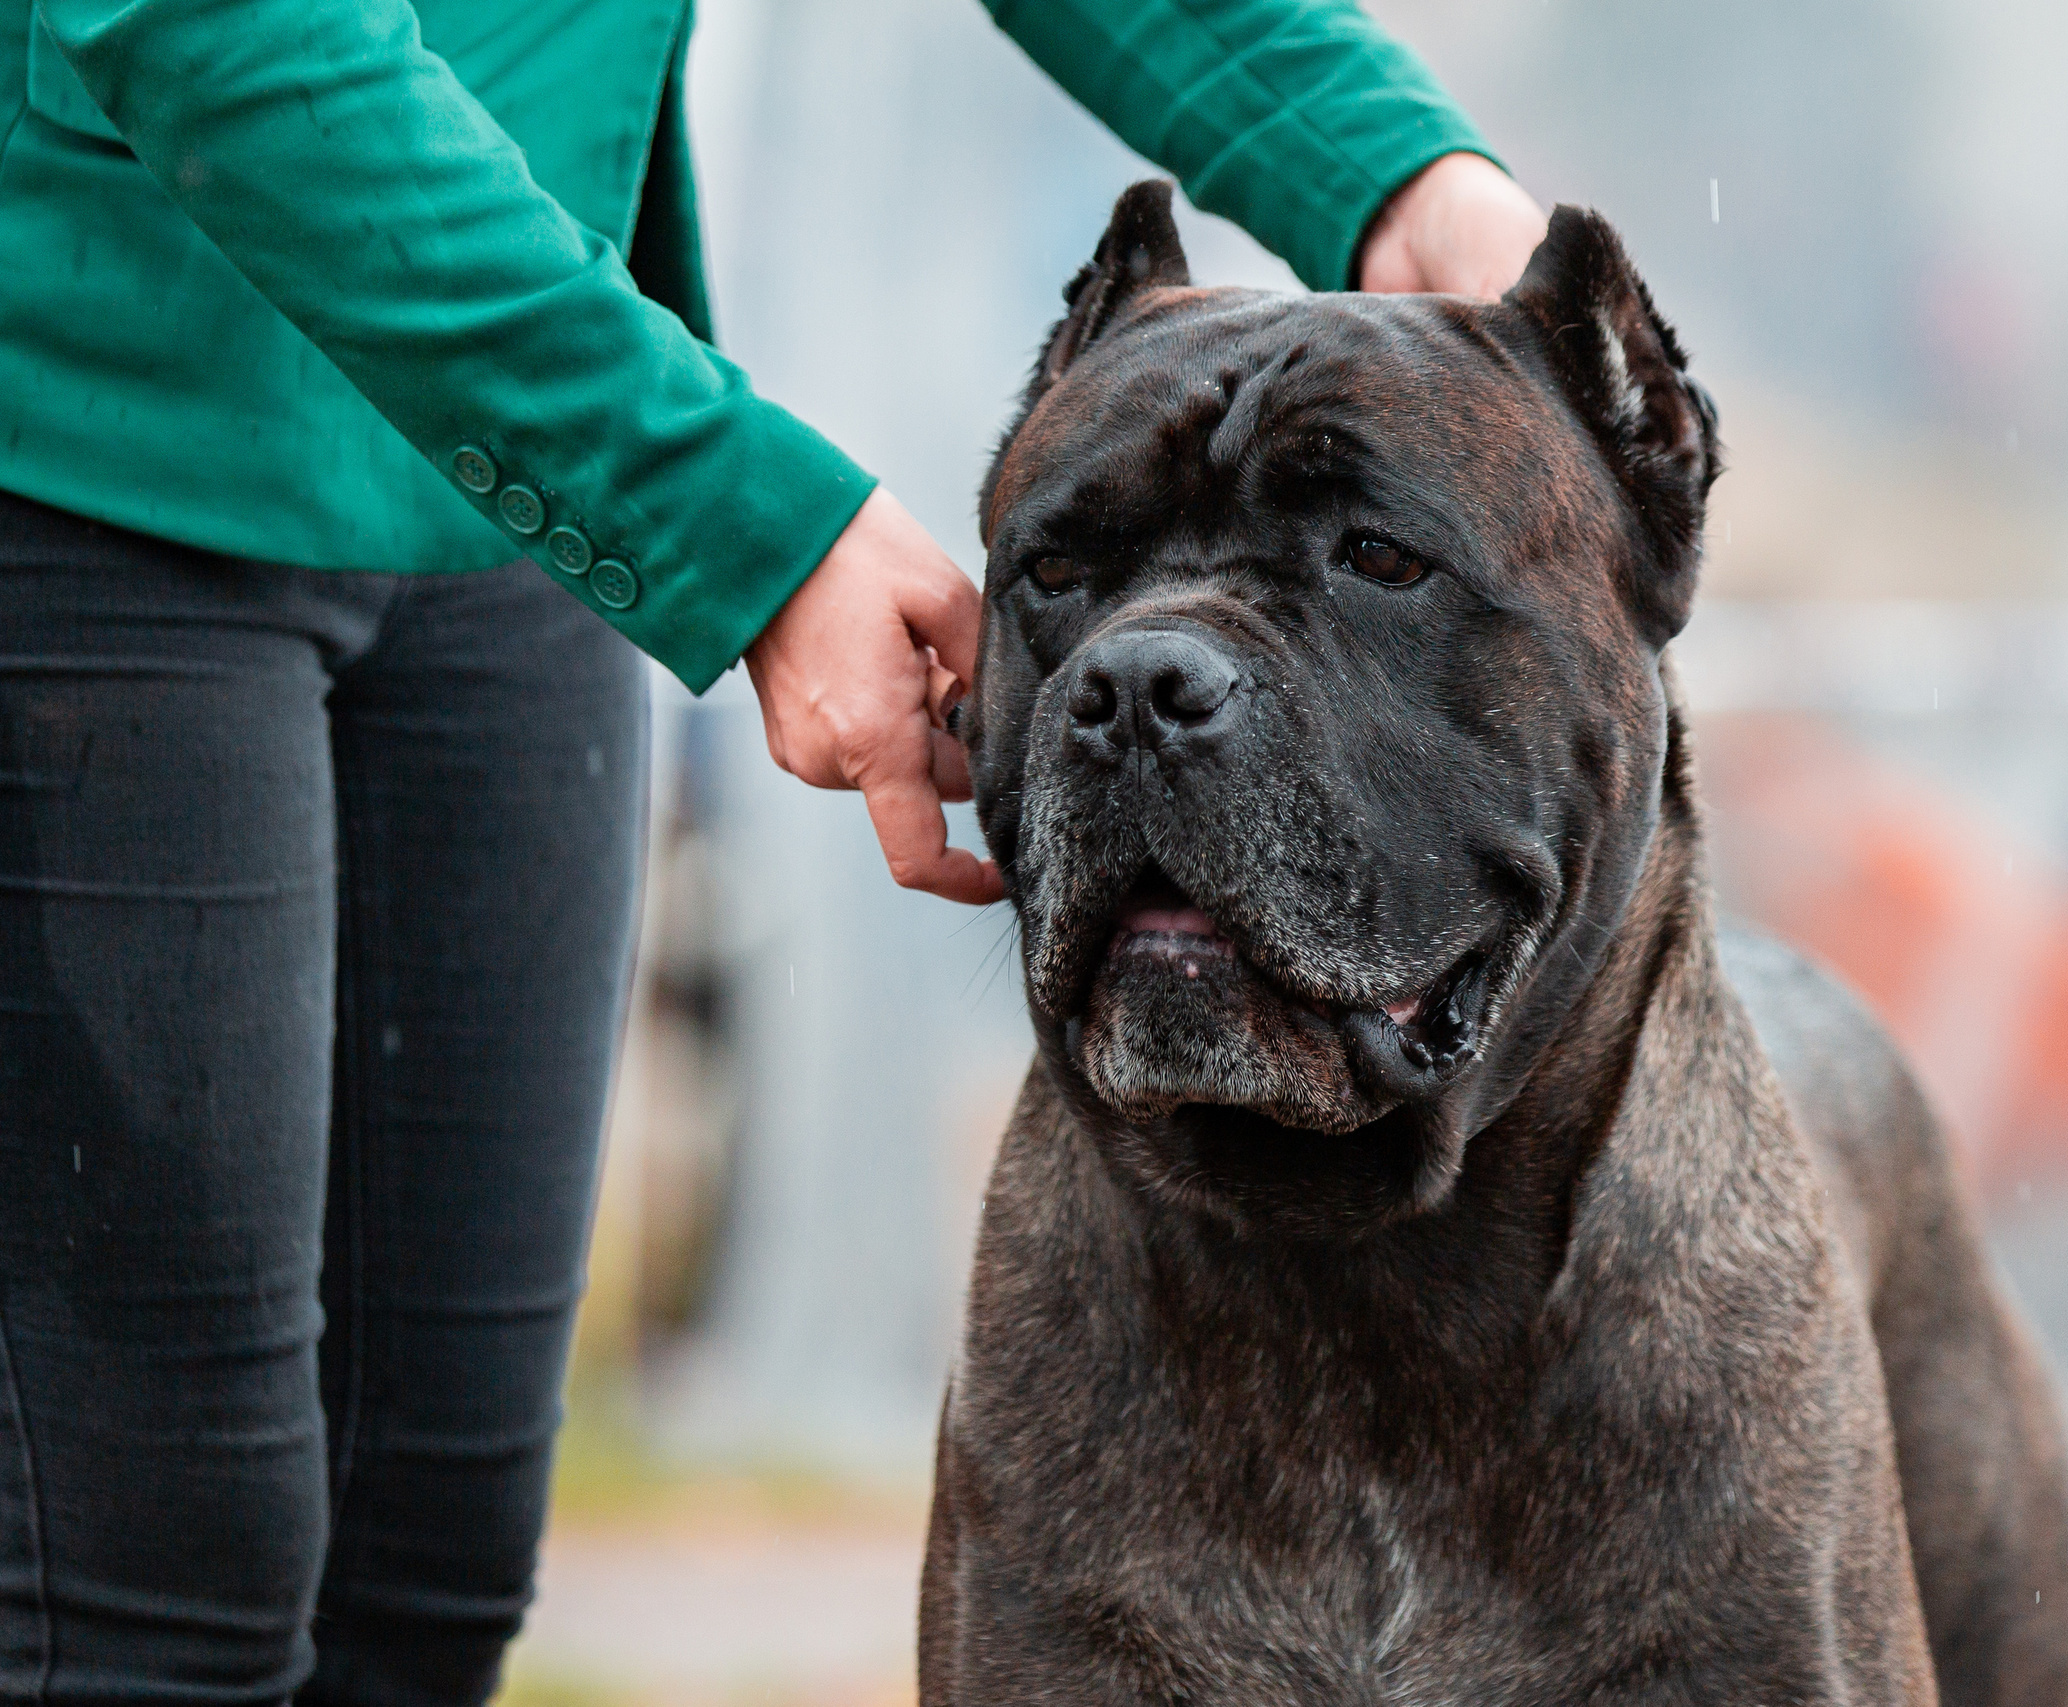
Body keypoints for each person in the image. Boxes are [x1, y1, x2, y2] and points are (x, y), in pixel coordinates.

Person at [0, 0, 1546, 1697]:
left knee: (421, 1560)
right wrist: (722, 513)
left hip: (496, 452)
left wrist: (1389, 167)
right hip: (85, 414)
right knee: (143, 1585)